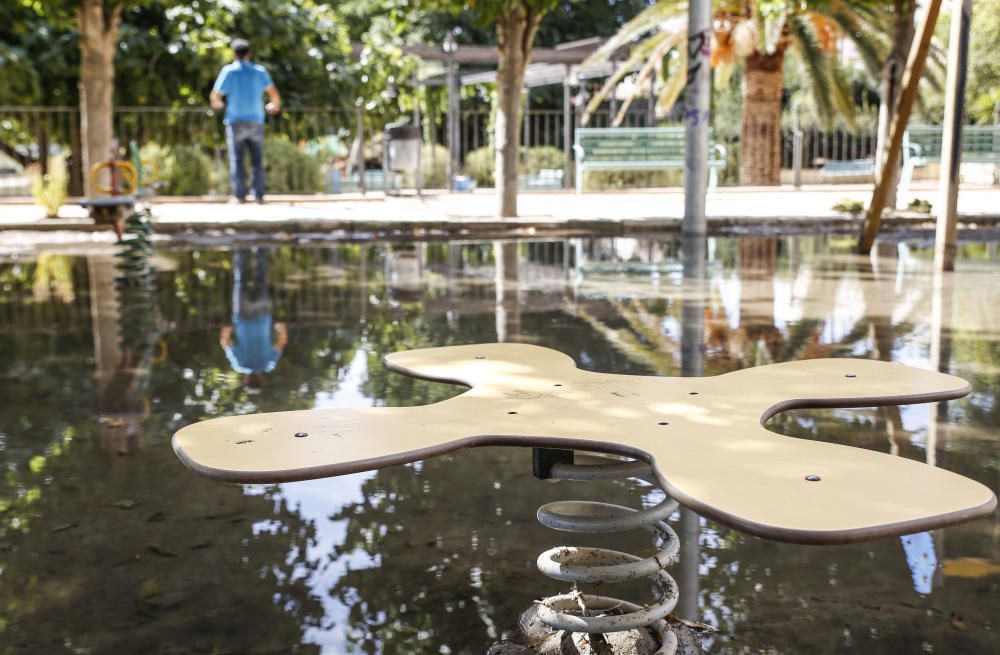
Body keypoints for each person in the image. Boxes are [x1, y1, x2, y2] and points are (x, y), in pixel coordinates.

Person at [210, 38, 281, 204]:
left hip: (235, 121)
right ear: (249, 53)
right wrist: (273, 105)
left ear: (234, 54)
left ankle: (239, 196)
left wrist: (219, 104)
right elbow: (275, 96)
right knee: (257, 160)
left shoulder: (228, 71)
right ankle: (259, 196)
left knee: (237, 160)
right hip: (256, 120)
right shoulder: (260, 71)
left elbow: (215, 96)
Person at [220, 248, 288, 389]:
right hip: (242, 318)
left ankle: (260, 249)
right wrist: (226, 331)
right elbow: (226, 343)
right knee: (240, 281)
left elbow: (282, 342)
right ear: (246, 380)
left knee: (261, 280)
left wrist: (282, 329)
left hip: (262, 316)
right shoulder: (239, 365)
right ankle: (241, 248)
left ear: (261, 379)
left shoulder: (269, 364)